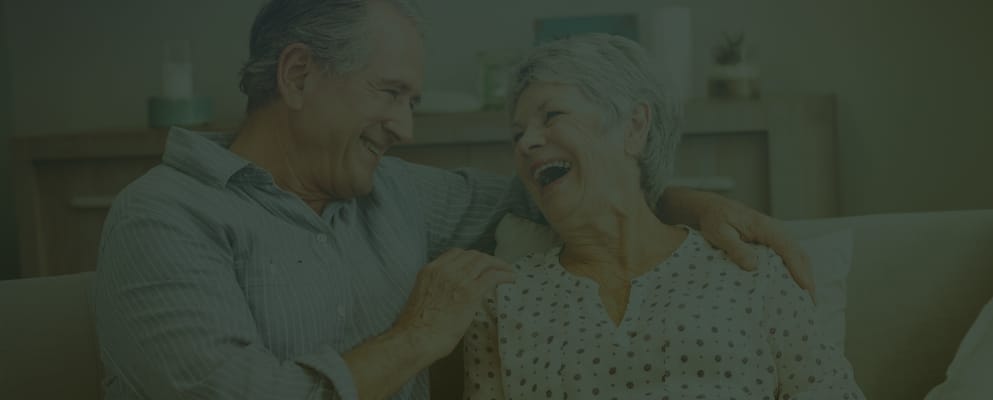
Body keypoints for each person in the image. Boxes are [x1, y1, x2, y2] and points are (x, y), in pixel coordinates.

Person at [93, 1, 813, 399]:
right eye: (390, 93)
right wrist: (415, 337)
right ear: (298, 75)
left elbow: (562, 191)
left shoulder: (394, 192)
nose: (404, 128)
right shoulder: (165, 217)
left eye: (411, 101)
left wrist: (686, 203)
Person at [463, 33, 863, 399]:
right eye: (517, 134)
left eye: (552, 116)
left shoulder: (750, 271)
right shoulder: (504, 300)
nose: (527, 143)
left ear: (634, 127)